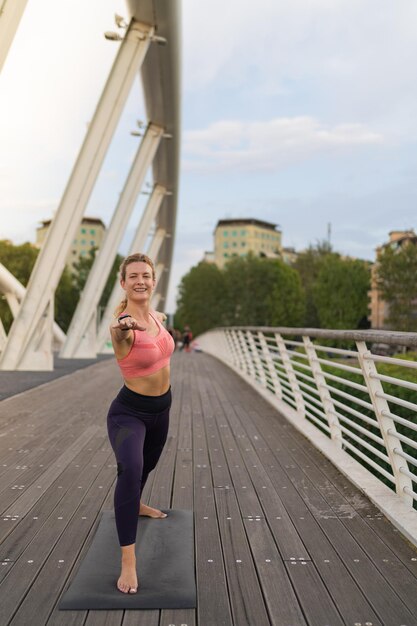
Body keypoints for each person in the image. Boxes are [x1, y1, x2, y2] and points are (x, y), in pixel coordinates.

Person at [107, 252, 175, 594]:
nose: (140, 280)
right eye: (133, 276)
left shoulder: (157, 316)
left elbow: (154, 320)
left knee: (146, 466)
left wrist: (150, 319)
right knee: (130, 470)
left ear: (153, 280)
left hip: (162, 410)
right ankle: (128, 561)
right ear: (123, 283)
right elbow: (118, 332)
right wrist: (124, 327)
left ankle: (136, 503)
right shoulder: (124, 324)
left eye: (146, 275)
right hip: (129, 413)